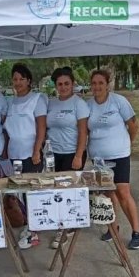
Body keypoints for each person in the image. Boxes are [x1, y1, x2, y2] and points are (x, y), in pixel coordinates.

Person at [87, 69, 139, 250]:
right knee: (107, 194)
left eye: (100, 83)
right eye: (94, 83)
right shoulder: (88, 105)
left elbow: (133, 125)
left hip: (119, 155)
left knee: (122, 192)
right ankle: (113, 228)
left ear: (107, 84)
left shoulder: (119, 101)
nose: (97, 87)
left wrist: (126, 143)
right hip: (98, 158)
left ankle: (137, 232)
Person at [3, 63, 47, 249]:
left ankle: (34, 231)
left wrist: (37, 150)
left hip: (31, 154)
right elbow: (6, 130)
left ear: (29, 80)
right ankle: (25, 222)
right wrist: (5, 151)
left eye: (22, 79)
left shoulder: (37, 99)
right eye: (15, 79)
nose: (18, 82)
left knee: (32, 192)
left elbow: (41, 128)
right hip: (14, 153)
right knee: (18, 191)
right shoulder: (9, 102)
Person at [46, 67, 90, 249]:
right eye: (60, 84)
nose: (63, 87)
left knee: (69, 191)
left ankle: (66, 229)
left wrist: (79, 155)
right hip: (54, 153)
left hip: (73, 153)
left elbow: (83, 131)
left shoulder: (79, 104)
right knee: (58, 190)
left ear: (73, 84)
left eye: (66, 84)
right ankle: (62, 221)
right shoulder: (51, 103)